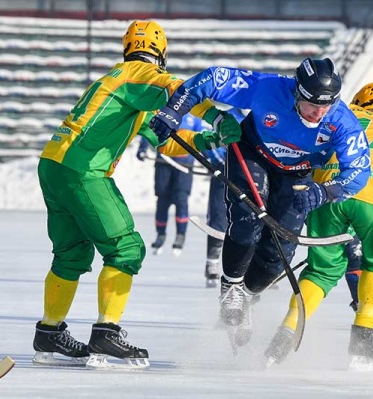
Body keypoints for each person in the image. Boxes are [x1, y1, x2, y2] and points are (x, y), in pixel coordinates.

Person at [32, 20, 240, 369]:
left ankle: (49, 333)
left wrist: (207, 141)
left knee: (71, 255)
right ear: (160, 52)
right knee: (126, 249)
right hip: (83, 169)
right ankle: (106, 332)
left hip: (54, 164)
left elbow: (164, 141)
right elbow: (179, 88)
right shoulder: (139, 74)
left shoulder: (122, 82)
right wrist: (216, 119)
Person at [149, 58, 372, 347]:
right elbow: (212, 79)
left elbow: (358, 172)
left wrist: (324, 191)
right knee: (247, 218)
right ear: (297, 92)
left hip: (298, 172)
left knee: (279, 251)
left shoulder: (342, 121)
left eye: (326, 106)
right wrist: (172, 112)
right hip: (253, 154)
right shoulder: (268, 88)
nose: (319, 113)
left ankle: (248, 297)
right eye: (312, 104)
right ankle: (231, 287)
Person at [264, 82, 373, 371]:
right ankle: (363, 335)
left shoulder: (337, 114)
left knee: (321, 270)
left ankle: (287, 330)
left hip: (325, 193)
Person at [136, 113, 202, 256]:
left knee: (181, 199)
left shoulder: (194, 114)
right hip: (164, 163)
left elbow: (200, 137)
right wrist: (142, 148)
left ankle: (181, 234)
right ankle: (160, 234)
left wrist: (210, 157)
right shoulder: (164, 110)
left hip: (185, 165)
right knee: (162, 199)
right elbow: (149, 128)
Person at [201, 108, 246, 288]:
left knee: (249, 222)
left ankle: (254, 266)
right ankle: (211, 262)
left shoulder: (260, 113)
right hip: (224, 177)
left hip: (250, 179)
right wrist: (223, 164)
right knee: (218, 218)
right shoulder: (227, 116)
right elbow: (213, 144)